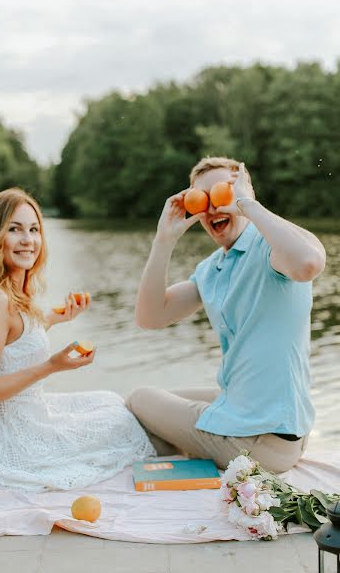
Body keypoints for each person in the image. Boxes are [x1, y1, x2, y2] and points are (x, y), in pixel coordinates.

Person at [126, 157, 326, 473]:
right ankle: (186, 454)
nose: (213, 208)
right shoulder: (212, 269)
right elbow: (150, 317)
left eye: (222, 194)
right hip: (251, 415)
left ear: (244, 194)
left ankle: (179, 458)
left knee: (139, 398)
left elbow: (309, 264)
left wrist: (247, 205)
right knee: (151, 405)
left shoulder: (273, 248)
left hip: (265, 440)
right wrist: (164, 240)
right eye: (202, 200)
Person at [0, 188, 155, 492]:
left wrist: (52, 318)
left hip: (25, 414)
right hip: (2, 442)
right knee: (119, 424)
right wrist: (51, 366)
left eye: (34, 229)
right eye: (14, 229)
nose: (28, 240)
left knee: (110, 402)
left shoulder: (10, 293)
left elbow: (11, 343)